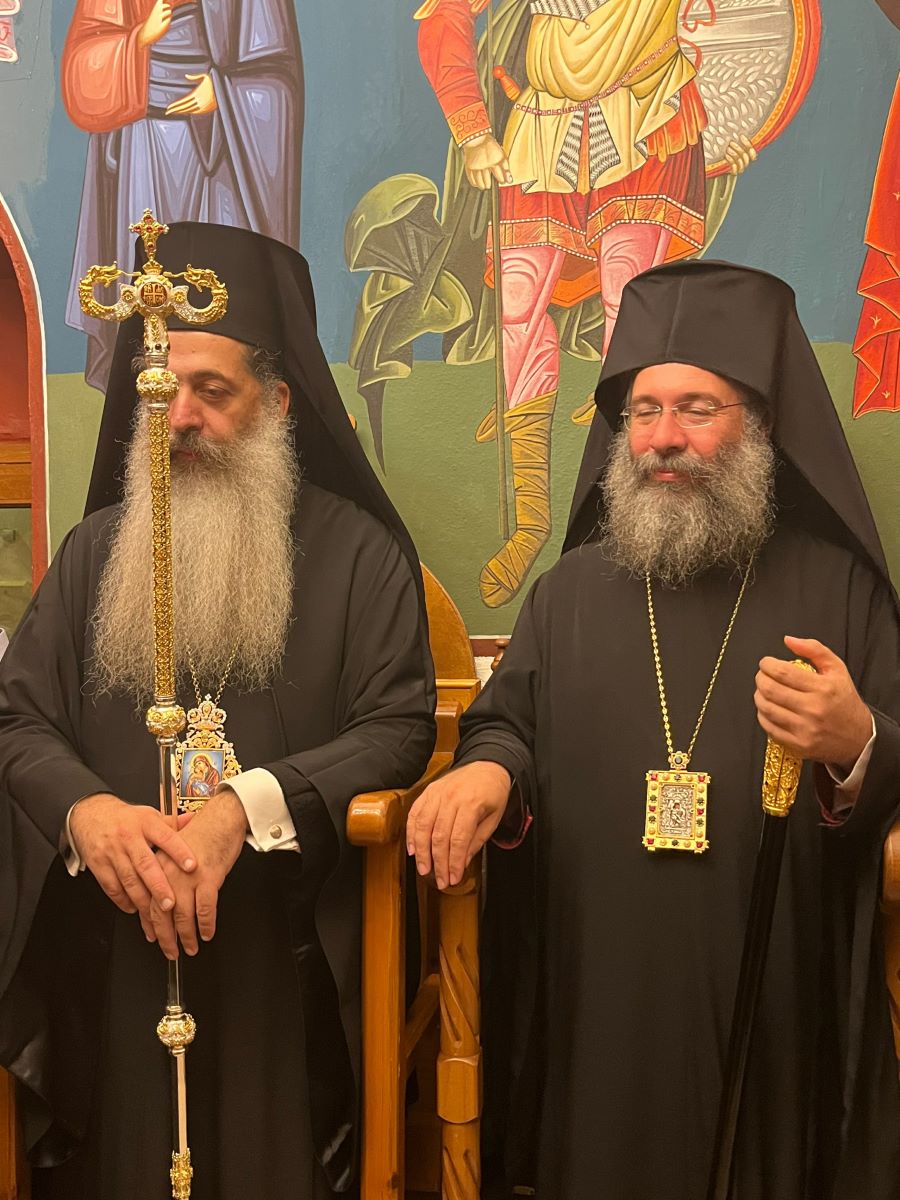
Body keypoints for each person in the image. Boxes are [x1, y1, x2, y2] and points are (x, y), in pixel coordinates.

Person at [408, 260, 900, 1198]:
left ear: (761, 425)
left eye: (697, 409)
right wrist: (488, 771)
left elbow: (893, 750)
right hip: (597, 981)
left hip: (771, 990)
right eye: (643, 411)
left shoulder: (838, 588)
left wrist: (856, 741)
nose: (663, 438)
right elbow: (508, 724)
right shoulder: (567, 594)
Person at [0, 223, 436, 1199]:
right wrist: (87, 814)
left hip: (281, 958)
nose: (181, 415)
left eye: (213, 390)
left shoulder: (359, 556)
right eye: (160, 390)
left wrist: (246, 808)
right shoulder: (94, 551)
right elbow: (17, 719)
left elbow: (400, 725)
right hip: (113, 955)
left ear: (276, 403)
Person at [61, 0, 305, 391]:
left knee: (216, 287)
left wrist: (224, 92)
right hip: (142, 146)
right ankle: (147, 388)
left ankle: (216, 386)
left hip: (219, 153)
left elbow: (277, 69)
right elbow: (82, 67)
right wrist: (138, 39)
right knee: (145, 286)